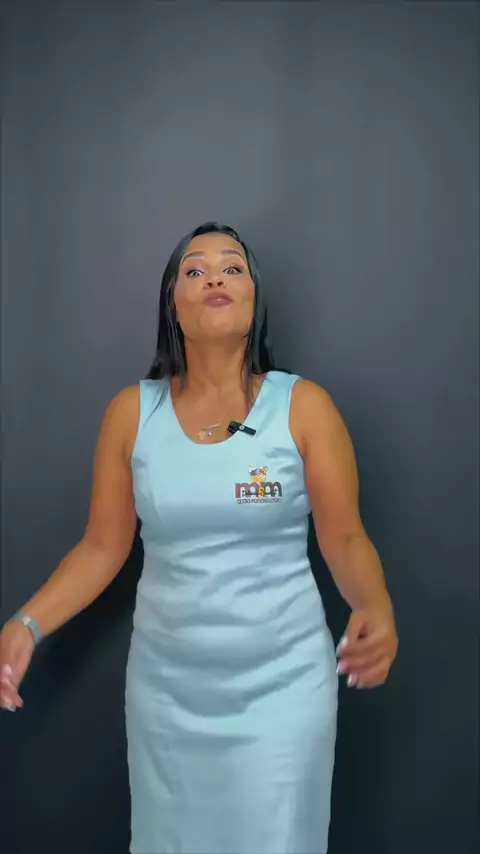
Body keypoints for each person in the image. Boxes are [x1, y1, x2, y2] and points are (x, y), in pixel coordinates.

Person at [0, 222, 398, 854]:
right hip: (167, 697)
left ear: (253, 299)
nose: (215, 276)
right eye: (195, 270)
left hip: (283, 689)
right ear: (174, 304)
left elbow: (345, 538)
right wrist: (26, 624)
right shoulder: (133, 414)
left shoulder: (304, 408)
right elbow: (103, 547)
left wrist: (373, 603)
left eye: (232, 267)